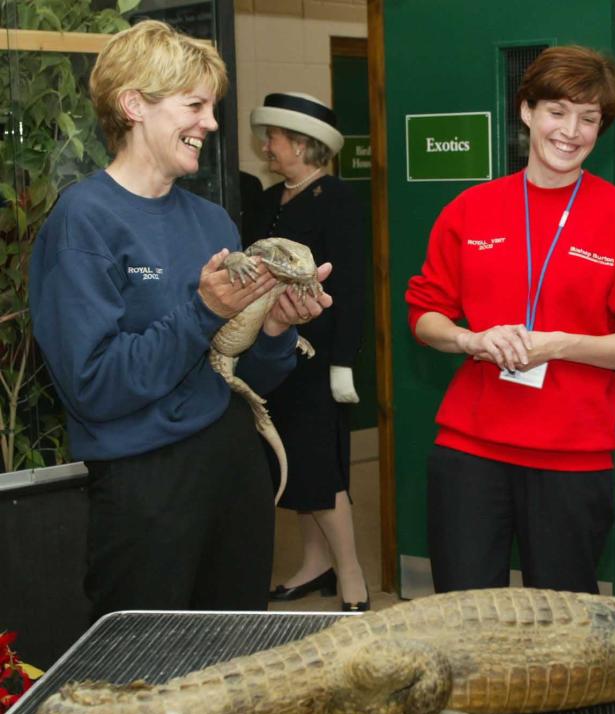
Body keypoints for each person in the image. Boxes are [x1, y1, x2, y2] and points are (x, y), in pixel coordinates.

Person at [28, 20, 332, 621]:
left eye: (211, 107)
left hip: (231, 463)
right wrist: (202, 311)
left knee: (232, 655)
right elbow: (93, 386)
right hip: (145, 480)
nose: (211, 125)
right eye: (194, 105)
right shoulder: (83, 221)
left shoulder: (213, 221)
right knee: (144, 672)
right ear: (134, 104)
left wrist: (274, 331)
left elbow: (241, 372)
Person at [406, 45, 615, 595]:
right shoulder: (470, 210)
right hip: (470, 450)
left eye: (590, 118)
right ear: (527, 110)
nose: (572, 131)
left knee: (563, 626)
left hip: (572, 456)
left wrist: (560, 344)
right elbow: (424, 314)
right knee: (462, 616)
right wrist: (471, 338)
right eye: (558, 111)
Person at [248, 93, 369, 611]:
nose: (265, 146)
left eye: (274, 137)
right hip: (272, 352)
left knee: (319, 467)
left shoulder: (338, 199)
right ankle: (315, 563)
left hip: (317, 360)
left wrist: (344, 360)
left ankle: (352, 575)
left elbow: (354, 286)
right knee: (293, 464)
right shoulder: (269, 198)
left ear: (301, 143)